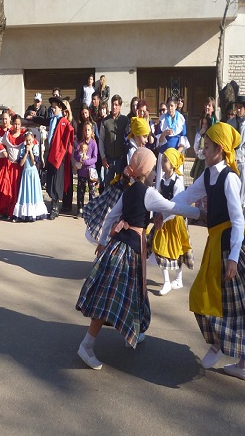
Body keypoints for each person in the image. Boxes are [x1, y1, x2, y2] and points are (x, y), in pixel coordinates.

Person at [172, 122, 245, 382]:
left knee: (236, 305)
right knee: (213, 299)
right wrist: (161, 207)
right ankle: (235, 356)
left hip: (230, 247)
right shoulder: (208, 174)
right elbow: (187, 196)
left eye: (207, 145)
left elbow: (238, 220)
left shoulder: (229, 178)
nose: (203, 148)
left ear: (221, 149)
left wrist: (234, 258)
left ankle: (228, 352)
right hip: (216, 244)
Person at [75, 148, 201, 370]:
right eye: (153, 168)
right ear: (146, 170)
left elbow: (111, 217)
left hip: (118, 247)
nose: (156, 173)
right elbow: (174, 207)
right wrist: (199, 214)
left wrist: (103, 242)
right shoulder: (149, 193)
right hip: (129, 251)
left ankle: (131, 332)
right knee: (110, 298)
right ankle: (86, 346)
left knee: (130, 294)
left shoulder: (129, 191)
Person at [84, 117, 152, 242]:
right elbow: (134, 175)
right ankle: (108, 247)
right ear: (136, 135)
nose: (146, 140)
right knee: (114, 221)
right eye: (144, 136)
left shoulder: (136, 149)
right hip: (124, 190)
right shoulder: (132, 151)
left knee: (118, 222)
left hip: (128, 189)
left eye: (147, 137)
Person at [150, 148, 195, 295]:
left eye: (165, 160)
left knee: (177, 250)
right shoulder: (162, 180)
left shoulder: (177, 183)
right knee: (160, 249)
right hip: (163, 220)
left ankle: (178, 278)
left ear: (173, 164)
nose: (162, 163)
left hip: (174, 221)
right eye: (162, 160)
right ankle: (167, 282)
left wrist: (165, 216)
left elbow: (178, 206)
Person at [0, 113, 23, 219]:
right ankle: (1, 209)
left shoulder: (15, 132)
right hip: (2, 162)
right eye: (3, 119)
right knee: (3, 186)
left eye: (6, 119)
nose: (4, 121)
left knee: (12, 187)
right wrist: (3, 151)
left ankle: (13, 210)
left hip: (14, 164)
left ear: (10, 120)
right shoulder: (1, 132)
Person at [45, 97, 74, 219]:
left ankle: (55, 208)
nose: (53, 109)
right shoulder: (53, 120)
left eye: (55, 107)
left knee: (57, 183)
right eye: (52, 107)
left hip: (59, 158)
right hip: (51, 155)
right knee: (50, 181)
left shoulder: (64, 122)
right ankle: (53, 205)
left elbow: (66, 142)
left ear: (61, 108)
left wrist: (60, 156)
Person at [226, 96, 245, 209]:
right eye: (236, 107)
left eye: (240, 107)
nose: (238, 110)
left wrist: (237, 155)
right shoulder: (230, 122)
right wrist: (231, 156)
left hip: (242, 160)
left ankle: (241, 218)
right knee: (231, 189)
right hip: (231, 160)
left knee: (243, 191)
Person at [98, 95, 131, 188]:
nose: (114, 107)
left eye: (116, 105)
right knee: (108, 186)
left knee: (121, 187)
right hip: (108, 160)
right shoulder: (105, 121)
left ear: (120, 106)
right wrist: (103, 158)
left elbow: (129, 137)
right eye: (113, 104)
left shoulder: (125, 120)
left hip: (121, 160)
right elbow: (101, 140)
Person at [13, 130, 46, 222]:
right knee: (26, 192)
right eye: (27, 140)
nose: (28, 142)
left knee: (34, 191)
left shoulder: (35, 147)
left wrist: (30, 151)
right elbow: (21, 164)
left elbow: (34, 162)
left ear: (33, 139)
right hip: (26, 173)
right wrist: (26, 153)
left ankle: (36, 213)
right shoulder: (22, 149)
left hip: (33, 173)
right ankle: (25, 213)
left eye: (30, 140)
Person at [74, 122, 99, 217]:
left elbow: (95, 158)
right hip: (82, 172)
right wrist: (80, 158)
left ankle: (91, 210)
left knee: (92, 191)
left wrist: (86, 162)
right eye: (85, 130)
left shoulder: (93, 144)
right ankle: (80, 208)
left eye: (88, 130)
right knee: (81, 190)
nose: (87, 132)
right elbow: (76, 154)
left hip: (91, 171)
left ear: (92, 131)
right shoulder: (81, 143)